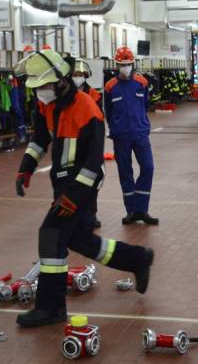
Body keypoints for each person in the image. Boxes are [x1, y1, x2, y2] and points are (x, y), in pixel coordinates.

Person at [14, 50, 154, 327]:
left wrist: (73, 197)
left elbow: (92, 164)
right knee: (80, 240)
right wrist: (26, 167)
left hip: (82, 185)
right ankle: (137, 259)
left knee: (51, 235)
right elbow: (40, 138)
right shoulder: (47, 105)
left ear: (61, 81)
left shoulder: (88, 110)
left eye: (44, 85)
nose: (40, 91)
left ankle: (51, 308)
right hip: (62, 183)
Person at [104, 46, 158, 225]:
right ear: (117, 65)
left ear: (133, 64)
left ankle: (141, 209)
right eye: (122, 64)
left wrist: (142, 124)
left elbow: (145, 105)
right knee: (125, 172)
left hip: (140, 133)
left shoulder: (142, 82)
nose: (125, 67)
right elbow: (109, 111)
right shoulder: (110, 86)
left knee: (148, 167)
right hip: (121, 136)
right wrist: (115, 128)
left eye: (128, 64)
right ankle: (131, 211)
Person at [72, 58, 102, 228]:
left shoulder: (94, 95)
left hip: (90, 143)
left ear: (85, 76)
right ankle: (76, 216)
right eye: (74, 74)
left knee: (92, 180)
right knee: (73, 182)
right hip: (72, 143)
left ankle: (91, 214)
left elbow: (99, 118)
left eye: (80, 74)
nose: (77, 77)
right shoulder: (66, 95)